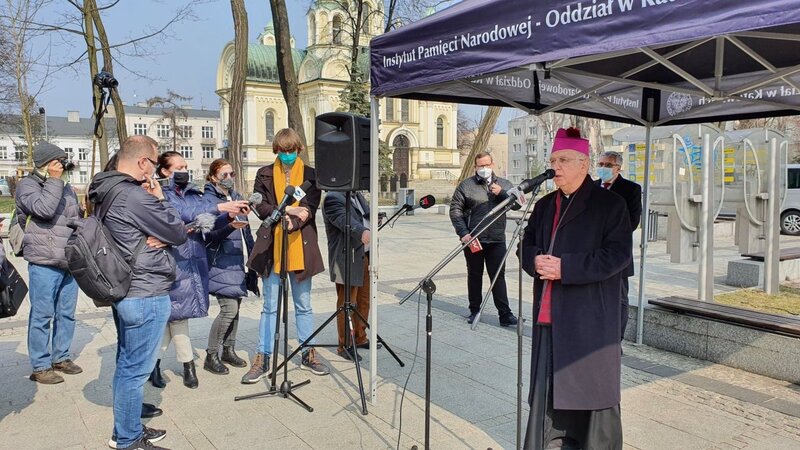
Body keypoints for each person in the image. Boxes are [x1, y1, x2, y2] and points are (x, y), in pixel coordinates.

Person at [520, 128, 632, 450]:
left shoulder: (610, 205)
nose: (556, 166)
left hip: (589, 315)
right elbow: (525, 245)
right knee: (549, 385)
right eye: (553, 159)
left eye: (564, 160)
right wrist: (535, 260)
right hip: (550, 311)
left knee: (589, 387)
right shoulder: (543, 206)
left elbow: (617, 255)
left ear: (583, 165)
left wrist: (565, 267)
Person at [88, 135, 187, 450]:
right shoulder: (133, 196)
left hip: (124, 287)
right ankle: (128, 439)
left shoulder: (105, 190)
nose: (156, 172)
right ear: (143, 162)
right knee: (134, 371)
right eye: (155, 164)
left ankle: (126, 428)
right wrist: (160, 200)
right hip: (145, 291)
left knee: (126, 364)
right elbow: (176, 231)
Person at [149, 152, 249, 389]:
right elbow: (182, 216)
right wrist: (221, 207)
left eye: (185, 165)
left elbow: (207, 223)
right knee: (174, 318)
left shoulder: (195, 193)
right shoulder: (159, 193)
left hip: (194, 260)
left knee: (176, 318)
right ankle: (183, 366)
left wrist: (229, 219)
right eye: (179, 166)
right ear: (164, 171)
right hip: (172, 260)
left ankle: (162, 366)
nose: (185, 169)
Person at [243, 128, 329, 383]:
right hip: (272, 248)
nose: (287, 155)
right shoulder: (264, 173)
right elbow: (259, 206)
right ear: (276, 151)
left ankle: (307, 352)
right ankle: (263, 357)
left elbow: (308, 209)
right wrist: (288, 213)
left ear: (298, 149)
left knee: (304, 305)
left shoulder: (311, 176)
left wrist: (294, 216)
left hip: (301, 247)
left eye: (291, 151)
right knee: (270, 307)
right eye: (282, 151)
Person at [15, 142, 83, 384]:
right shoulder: (27, 185)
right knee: (42, 315)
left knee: (66, 314)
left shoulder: (65, 187)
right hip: (43, 260)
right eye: (58, 161)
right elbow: (43, 210)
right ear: (47, 162)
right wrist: (55, 181)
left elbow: (75, 219)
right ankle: (40, 366)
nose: (62, 166)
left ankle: (61, 357)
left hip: (68, 260)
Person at [449, 151, 518, 326]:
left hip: (496, 239)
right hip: (474, 239)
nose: (484, 169)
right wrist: (464, 233)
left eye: (487, 165)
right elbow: (455, 209)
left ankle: (505, 314)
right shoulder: (466, 186)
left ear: (492, 165)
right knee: (474, 275)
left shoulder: (504, 184)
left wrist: (502, 193)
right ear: (475, 167)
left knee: (498, 276)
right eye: (481, 166)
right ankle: (474, 310)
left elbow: (517, 204)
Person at [203, 159, 258, 375]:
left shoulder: (236, 197)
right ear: (213, 177)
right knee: (229, 309)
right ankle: (211, 354)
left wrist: (253, 256)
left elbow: (246, 232)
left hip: (237, 260)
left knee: (236, 309)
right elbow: (208, 234)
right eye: (224, 175)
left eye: (231, 174)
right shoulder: (208, 200)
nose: (229, 179)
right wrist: (229, 225)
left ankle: (228, 349)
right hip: (219, 260)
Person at [322, 190, 377, 362]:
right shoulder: (332, 198)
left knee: (364, 300)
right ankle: (345, 344)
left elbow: (363, 216)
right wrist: (362, 231)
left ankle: (360, 337)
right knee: (347, 302)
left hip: (365, 255)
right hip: (347, 257)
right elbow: (344, 220)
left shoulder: (357, 196)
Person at [596, 151, 642, 339]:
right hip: (591, 253)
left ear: (618, 168)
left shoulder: (630, 189)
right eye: (601, 164)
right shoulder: (590, 186)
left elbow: (632, 221)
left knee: (619, 298)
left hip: (616, 253)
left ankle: (616, 339)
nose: (603, 168)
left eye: (608, 165)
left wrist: (602, 233)